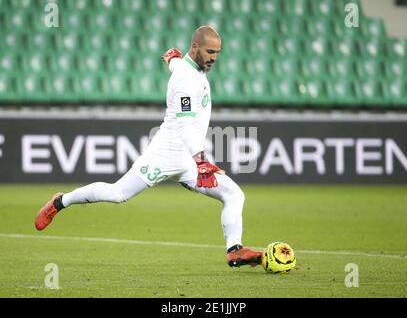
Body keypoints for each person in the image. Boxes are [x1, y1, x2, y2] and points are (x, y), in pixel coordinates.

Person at [34, 26, 263, 268]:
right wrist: (201, 161)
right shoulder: (186, 79)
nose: (214, 57)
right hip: (164, 154)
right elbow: (185, 124)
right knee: (117, 194)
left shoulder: (188, 68)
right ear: (195, 47)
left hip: (186, 160)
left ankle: (234, 250)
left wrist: (173, 59)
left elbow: (178, 65)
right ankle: (61, 201)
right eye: (209, 51)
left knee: (234, 194)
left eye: (217, 52)